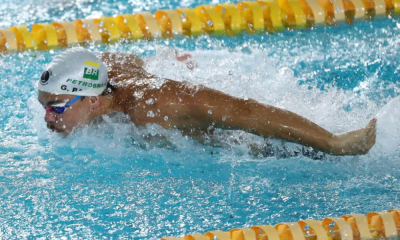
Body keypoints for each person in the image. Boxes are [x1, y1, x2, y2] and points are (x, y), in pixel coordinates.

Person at [37, 47, 376, 156]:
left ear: (93, 101)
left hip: (245, 144)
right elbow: (121, 59)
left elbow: (249, 113)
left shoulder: (156, 107)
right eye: (45, 107)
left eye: (55, 109)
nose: (47, 119)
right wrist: (167, 58)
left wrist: (332, 142)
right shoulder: (100, 75)